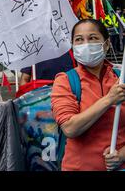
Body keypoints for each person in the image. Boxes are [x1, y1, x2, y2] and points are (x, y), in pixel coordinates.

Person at [51, 19, 125, 171]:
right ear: (72, 46)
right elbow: (70, 128)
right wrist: (109, 99)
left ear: (106, 43)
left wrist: (122, 155)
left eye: (92, 38)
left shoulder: (121, 78)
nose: (86, 44)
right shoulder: (65, 81)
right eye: (79, 40)